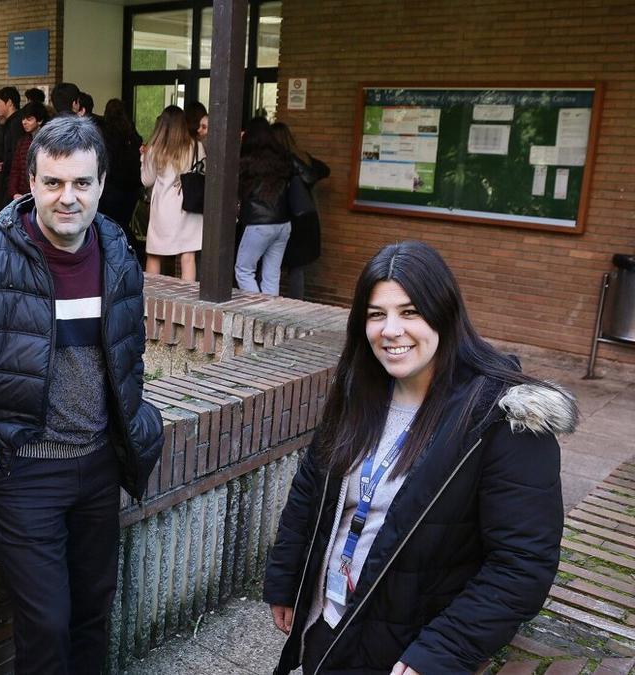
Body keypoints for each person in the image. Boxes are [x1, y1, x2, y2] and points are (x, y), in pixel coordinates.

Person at [0, 116, 163, 675]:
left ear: (101, 183)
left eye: (81, 183)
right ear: (29, 183)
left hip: (98, 467)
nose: (67, 198)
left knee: (93, 614)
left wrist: (137, 424)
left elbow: (127, 353)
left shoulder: (118, 255)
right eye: (53, 183)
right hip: (20, 472)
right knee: (47, 627)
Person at [264, 240, 575, 675]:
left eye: (410, 312)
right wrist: (286, 580)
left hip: (410, 651)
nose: (391, 330)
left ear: (444, 312)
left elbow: (522, 566)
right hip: (328, 622)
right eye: (377, 314)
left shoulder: (503, 419)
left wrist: (441, 651)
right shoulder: (361, 389)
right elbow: (309, 491)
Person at [140, 105, 204, 281]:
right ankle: (187, 303)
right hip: (189, 205)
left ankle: (152, 298)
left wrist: (142, 159)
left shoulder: (154, 149)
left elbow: (147, 180)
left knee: (154, 255)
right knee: (188, 256)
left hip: (164, 208)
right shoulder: (196, 146)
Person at [272, 121, 330, 300]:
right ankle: (297, 303)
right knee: (297, 268)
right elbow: (323, 170)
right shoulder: (303, 157)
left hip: (289, 218)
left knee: (274, 263)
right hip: (307, 218)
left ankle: (276, 301)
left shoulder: (282, 161)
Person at [236, 116, 292, 295]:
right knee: (271, 275)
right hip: (283, 223)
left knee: (244, 270)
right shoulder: (282, 158)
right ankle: (269, 316)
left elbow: (236, 189)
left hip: (258, 223)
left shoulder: (246, 161)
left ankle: (257, 313)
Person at [98, 99, 143, 237]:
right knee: (124, 223)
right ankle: (127, 252)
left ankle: (116, 254)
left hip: (111, 188)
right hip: (132, 187)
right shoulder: (131, 132)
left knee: (110, 225)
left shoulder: (104, 133)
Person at [6, 102, 48, 202]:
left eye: (29, 119)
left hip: (43, 193)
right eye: (23, 119)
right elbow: (15, 170)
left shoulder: (48, 141)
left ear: (40, 120)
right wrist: (14, 192)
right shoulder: (22, 141)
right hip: (23, 195)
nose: (24, 122)